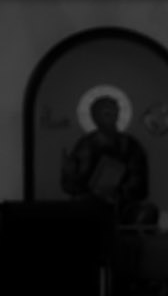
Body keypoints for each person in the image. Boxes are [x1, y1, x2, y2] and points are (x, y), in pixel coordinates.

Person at [59, 93, 151, 223]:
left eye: (115, 113)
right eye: (107, 114)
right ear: (95, 117)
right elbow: (72, 186)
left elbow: (139, 181)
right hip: (90, 205)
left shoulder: (130, 145)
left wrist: (119, 192)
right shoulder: (86, 145)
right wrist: (70, 173)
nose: (113, 118)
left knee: (146, 213)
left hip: (123, 205)